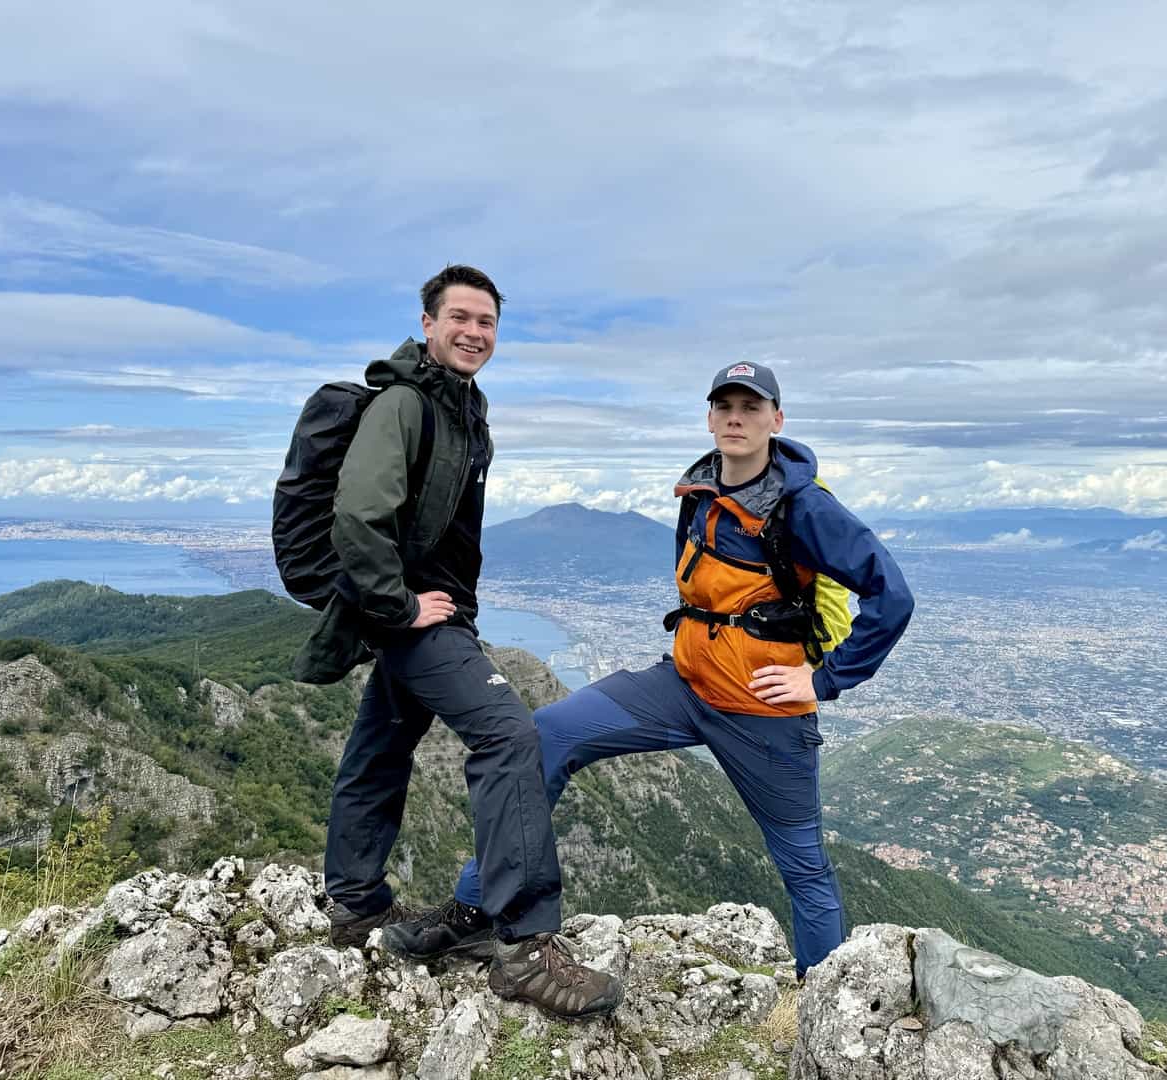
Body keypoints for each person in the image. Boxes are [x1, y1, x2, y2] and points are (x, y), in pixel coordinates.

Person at [387, 361, 915, 979]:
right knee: (545, 736)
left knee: (803, 865)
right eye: (725, 406)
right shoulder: (700, 492)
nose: (736, 418)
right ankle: (476, 909)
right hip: (684, 686)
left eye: (751, 407)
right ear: (710, 416)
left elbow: (892, 597)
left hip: (763, 710)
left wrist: (822, 680)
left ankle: (826, 1004)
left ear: (777, 419)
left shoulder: (805, 509)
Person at [307, 264, 622, 1019]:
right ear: (427, 322)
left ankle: (354, 903)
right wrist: (399, 605)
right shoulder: (407, 403)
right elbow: (358, 514)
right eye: (461, 318)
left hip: (434, 611)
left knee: (380, 746)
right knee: (511, 737)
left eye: (487, 322)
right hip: (418, 615)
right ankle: (522, 948)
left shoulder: (460, 406)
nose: (475, 332)